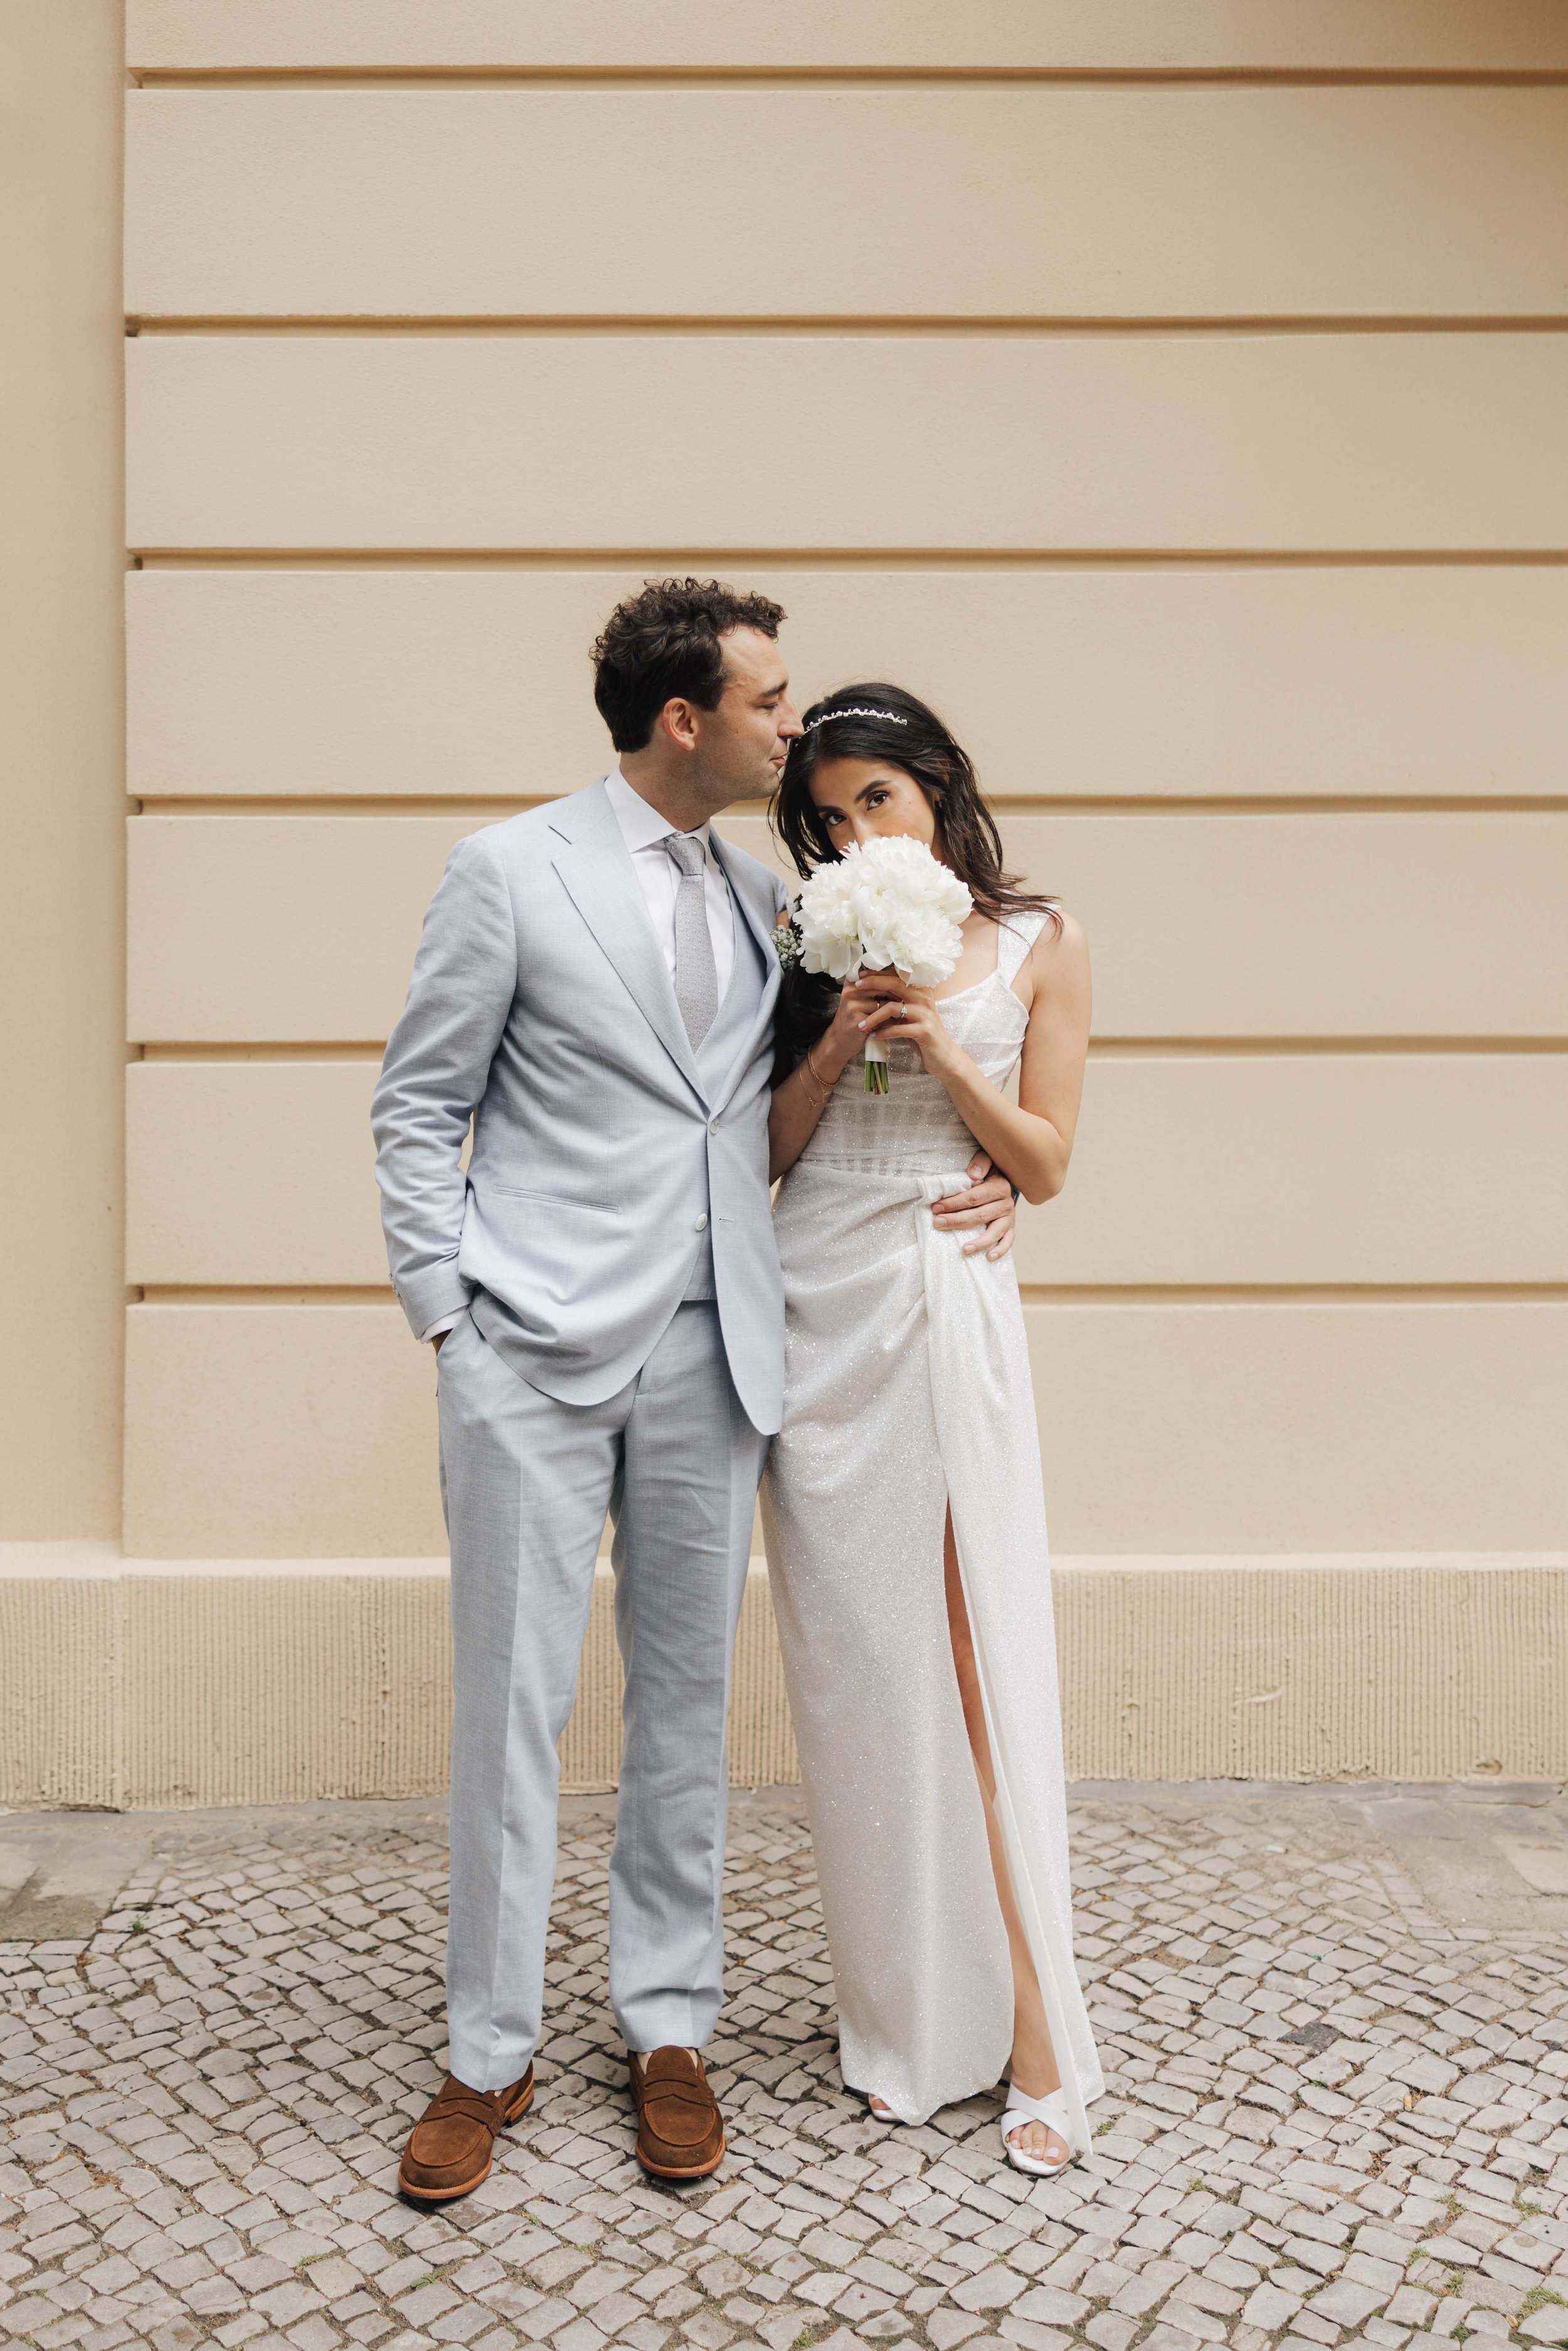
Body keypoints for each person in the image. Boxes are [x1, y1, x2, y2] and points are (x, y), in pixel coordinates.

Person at [371, 584, 1019, 2201]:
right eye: (769, 699)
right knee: (510, 1713)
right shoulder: (507, 870)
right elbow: (418, 1102)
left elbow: (780, 1111)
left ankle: (669, 2027)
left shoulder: (757, 895)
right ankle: (486, 2055)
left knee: (681, 1716)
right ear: (687, 718)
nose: (791, 727)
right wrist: (450, 1313)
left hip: (712, 1352)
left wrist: (988, 1173)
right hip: (526, 1347)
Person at [761, 684, 1104, 2175]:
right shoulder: (799, 946)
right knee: (862, 1672)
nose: (849, 834)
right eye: (827, 818)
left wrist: (947, 1060)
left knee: (966, 1659)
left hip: (936, 1292)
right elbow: (765, 1152)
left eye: (872, 803)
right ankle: (907, 2009)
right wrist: (842, 1034)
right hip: (812, 1304)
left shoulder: (1041, 943)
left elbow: (1040, 1162)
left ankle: (1033, 2033)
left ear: (937, 790)